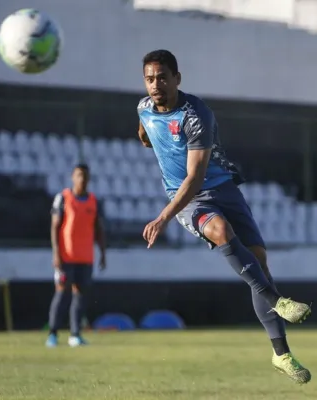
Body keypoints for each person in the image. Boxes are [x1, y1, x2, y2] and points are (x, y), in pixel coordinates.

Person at [137, 49, 312, 384]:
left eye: (161, 77)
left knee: (259, 262)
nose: (155, 84)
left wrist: (160, 218)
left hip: (218, 188)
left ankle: (281, 356)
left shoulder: (195, 114)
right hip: (186, 201)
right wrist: (150, 143)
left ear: (177, 78)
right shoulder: (144, 108)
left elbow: (195, 178)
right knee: (219, 229)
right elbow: (146, 131)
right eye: (149, 79)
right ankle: (280, 302)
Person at [45, 163, 106, 347]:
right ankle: (53, 333)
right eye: (79, 175)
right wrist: (56, 254)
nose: (83, 179)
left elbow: (98, 229)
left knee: (80, 296)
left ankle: (75, 334)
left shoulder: (93, 201)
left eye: (85, 176)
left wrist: (103, 253)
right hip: (66, 257)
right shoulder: (63, 198)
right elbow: (55, 227)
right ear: (73, 177)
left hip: (85, 257)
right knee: (62, 294)